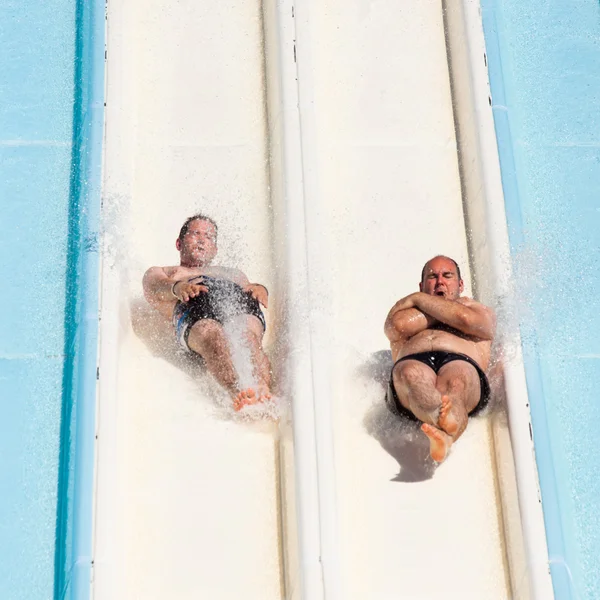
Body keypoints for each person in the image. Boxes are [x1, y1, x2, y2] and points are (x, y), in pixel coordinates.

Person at [143, 214, 271, 411]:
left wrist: (261, 289)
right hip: (194, 308)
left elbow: (250, 286)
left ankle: (262, 388)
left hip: (236, 302)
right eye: (195, 234)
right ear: (179, 243)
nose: (202, 240)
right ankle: (237, 390)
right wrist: (177, 288)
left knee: (246, 335)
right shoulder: (167, 272)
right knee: (213, 335)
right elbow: (153, 287)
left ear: (215, 249)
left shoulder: (233, 273)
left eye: (209, 237)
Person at [383, 255, 495, 462]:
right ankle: (442, 422)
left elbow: (467, 319)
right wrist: (444, 308)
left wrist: (418, 300)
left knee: (458, 381)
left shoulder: (478, 309)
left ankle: (446, 433)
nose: (440, 281)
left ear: (460, 284)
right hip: (413, 361)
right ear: (422, 285)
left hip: (462, 362)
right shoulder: (406, 313)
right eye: (432, 277)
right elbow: (398, 326)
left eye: (447, 276)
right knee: (411, 374)